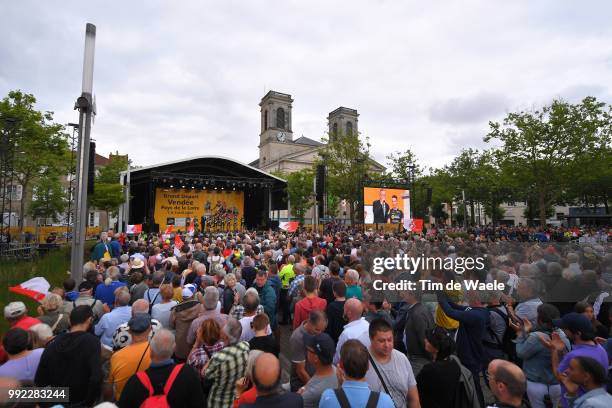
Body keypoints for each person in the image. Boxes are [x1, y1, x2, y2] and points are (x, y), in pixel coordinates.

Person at [35, 305, 103, 407]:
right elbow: (96, 378)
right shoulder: (92, 342)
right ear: (89, 320)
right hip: (80, 399)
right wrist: (89, 402)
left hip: (58, 399)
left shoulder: (53, 343)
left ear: (70, 321)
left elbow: (40, 380)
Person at [118, 328, 205, 408]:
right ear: (174, 349)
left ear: (150, 351)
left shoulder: (135, 382)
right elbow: (200, 404)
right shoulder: (188, 373)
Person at [540, 312, 609, 408]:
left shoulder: (574, 356)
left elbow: (559, 376)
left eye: (565, 328)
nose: (563, 330)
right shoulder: (601, 349)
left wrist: (554, 350)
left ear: (578, 333)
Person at [511, 303, 570, 408]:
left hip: (537, 384)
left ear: (540, 319)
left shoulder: (536, 337)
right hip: (557, 383)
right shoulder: (561, 334)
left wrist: (521, 333)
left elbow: (520, 352)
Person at [437, 289, 489, 407]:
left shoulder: (476, 315)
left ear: (476, 298)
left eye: (470, 293)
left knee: (473, 385)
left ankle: (478, 405)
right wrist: (443, 294)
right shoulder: (475, 310)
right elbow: (454, 306)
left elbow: (450, 312)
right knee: (471, 385)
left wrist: (440, 296)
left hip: (470, 357)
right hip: (469, 355)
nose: (467, 293)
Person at [319, 339, 394, 408]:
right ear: (368, 366)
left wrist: (340, 387)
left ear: (341, 365)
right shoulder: (385, 401)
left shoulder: (328, 397)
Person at [365, 318, 420, 408]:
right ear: (371, 339)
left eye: (390, 340)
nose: (387, 345)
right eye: (381, 341)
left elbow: (414, 399)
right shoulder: (362, 361)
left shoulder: (402, 359)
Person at [204, 318, 250, 408]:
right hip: (236, 396)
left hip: (218, 402)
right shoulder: (246, 346)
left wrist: (210, 360)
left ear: (225, 336)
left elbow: (206, 374)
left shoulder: (219, 357)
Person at [108, 314, 153, 400]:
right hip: (146, 401)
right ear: (150, 329)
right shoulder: (156, 353)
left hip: (122, 400)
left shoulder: (116, 356)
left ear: (129, 331)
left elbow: (110, 384)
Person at [416, 327, 463, 408]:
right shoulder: (454, 364)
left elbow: (416, 388)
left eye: (428, 340)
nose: (425, 340)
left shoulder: (430, 369)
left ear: (436, 348)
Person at [238, 352, 303, 407]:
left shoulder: (244, 406)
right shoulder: (297, 400)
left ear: (254, 381)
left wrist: (239, 392)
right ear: (280, 377)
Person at [290, 310, 328, 392]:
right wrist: (315, 389)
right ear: (309, 323)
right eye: (317, 330)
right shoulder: (297, 338)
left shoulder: (316, 332)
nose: (320, 333)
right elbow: (300, 371)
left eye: (322, 330)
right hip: (301, 384)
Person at [299, 333, 338, 408]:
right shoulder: (335, 370)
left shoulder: (311, 394)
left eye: (308, 349)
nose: (306, 351)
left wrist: (300, 393)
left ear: (316, 358)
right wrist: (304, 388)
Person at [401, 288, 434, 376]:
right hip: (416, 358)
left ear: (412, 295)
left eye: (405, 291)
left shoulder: (418, 313)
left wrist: (431, 358)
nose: (402, 292)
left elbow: (424, 340)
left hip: (418, 360)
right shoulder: (416, 310)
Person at [171, 284, 205, 361]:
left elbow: (172, 324)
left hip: (180, 344)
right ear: (192, 296)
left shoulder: (175, 309)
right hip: (193, 344)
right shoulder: (199, 307)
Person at [334, 298, 370, 365]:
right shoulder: (367, 324)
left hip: (353, 369)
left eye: (344, 309)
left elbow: (338, 358)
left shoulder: (346, 334)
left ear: (349, 313)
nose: (343, 311)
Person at [325, 280, 347, 344]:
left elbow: (328, 325)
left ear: (334, 293)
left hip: (334, 339)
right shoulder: (349, 304)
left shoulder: (331, 306)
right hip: (346, 337)